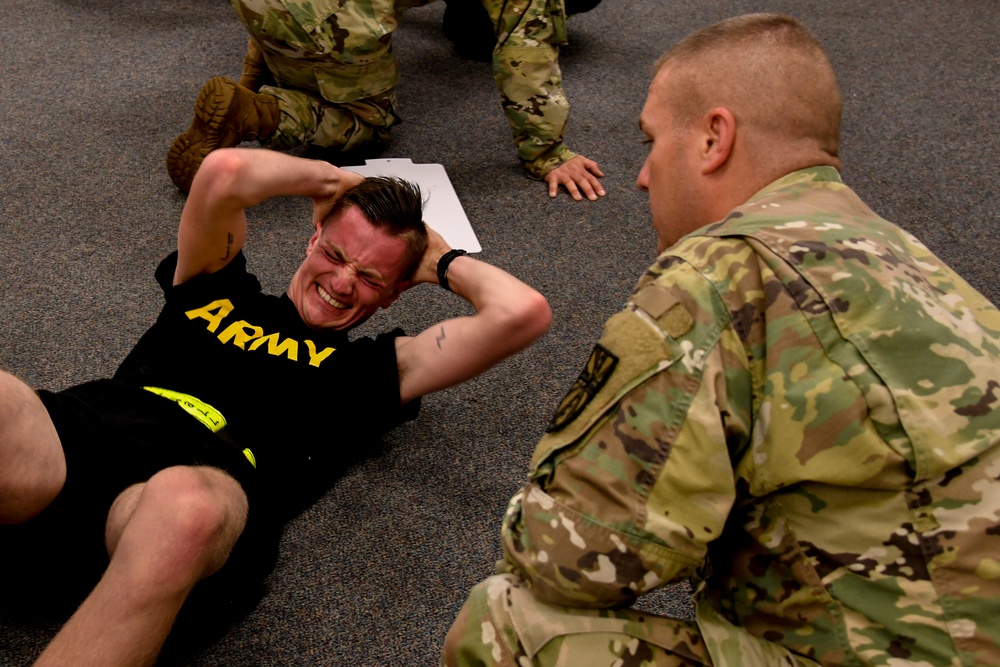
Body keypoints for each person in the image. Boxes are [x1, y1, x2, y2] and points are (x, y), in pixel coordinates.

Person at [441, 13, 1000, 667]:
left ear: (713, 138)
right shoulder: (921, 267)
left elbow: (570, 555)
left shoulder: (720, 274)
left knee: (506, 624)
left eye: (651, 141)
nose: (645, 175)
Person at [0, 146, 552, 666]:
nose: (340, 282)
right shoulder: (215, 286)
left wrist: (436, 254)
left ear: (394, 295)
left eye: (369, 277)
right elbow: (223, 171)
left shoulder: (369, 371)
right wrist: (332, 182)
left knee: (185, 506)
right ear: (312, 239)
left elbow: (521, 313)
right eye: (335, 253)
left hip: (196, 488)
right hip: (85, 438)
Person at [166, 0, 606, 202]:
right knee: (367, 125)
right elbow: (524, 56)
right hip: (328, 17)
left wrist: (251, 76)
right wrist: (548, 154)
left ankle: (252, 97)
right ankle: (260, 115)